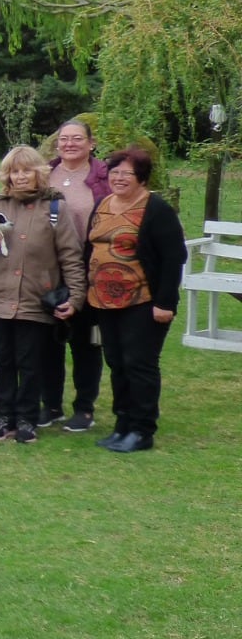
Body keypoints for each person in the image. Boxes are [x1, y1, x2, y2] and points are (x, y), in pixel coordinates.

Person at [0, 146, 85, 444]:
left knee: (30, 363)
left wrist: (76, 297)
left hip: (34, 297)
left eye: (26, 171)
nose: (20, 177)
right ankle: (5, 417)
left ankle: (28, 419)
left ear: (38, 173)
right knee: (4, 361)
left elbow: (71, 256)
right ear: (7, 175)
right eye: (15, 171)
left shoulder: (55, 208)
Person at [84, 147, 185, 453]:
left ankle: (142, 429)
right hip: (103, 301)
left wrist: (165, 303)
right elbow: (90, 247)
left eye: (126, 173)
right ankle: (122, 423)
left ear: (141, 176)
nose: (118, 178)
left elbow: (173, 258)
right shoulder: (102, 204)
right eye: (113, 172)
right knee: (116, 363)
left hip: (143, 301)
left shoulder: (155, 208)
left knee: (138, 363)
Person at [45, 118, 111, 431]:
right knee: (48, 340)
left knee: (85, 342)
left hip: (90, 263)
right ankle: (51, 404)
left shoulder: (104, 177)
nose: (69, 144)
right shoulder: (45, 174)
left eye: (77, 139)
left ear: (91, 143)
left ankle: (84, 407)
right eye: (64, 139)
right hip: (47, 266)